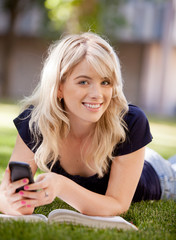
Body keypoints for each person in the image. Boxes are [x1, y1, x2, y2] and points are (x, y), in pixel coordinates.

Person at [0, 32, 175, 216]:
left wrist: (60, 185)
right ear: (59, 87)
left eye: (105, 82)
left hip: (161, 175)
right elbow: (5, 194)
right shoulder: (35, 122)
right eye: (84, 82)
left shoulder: (130, 121)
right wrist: (14, 203)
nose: (97, 94)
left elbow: (118, 204)